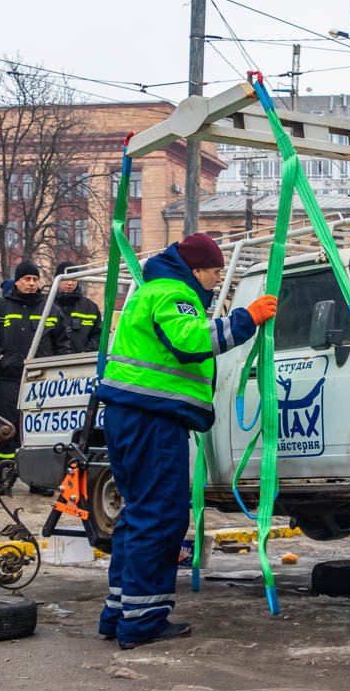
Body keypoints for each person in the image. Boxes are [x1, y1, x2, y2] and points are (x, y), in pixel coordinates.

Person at [94, 233, 276, 650]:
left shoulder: (150, 290)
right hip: (152, 419)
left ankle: (121, 611)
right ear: (196, 270)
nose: (216, 281)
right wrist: (248, 318)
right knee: (160, 517)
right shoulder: (175, 293)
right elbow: (191, 341)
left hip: (131, 416)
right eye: (214, 272)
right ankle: (142, 622)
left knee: (139, 514)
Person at [0, 259, 72, 468]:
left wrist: (60, 372)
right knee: (6, 428)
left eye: (35, 279)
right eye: (27, 279)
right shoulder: (1, 307)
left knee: (38, 432)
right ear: (17, 282)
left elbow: (63, 345)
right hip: (8, 380)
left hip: (41, 382)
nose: (31, 283)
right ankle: (3, 473)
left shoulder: (50, 310)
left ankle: (39, 480)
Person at [53, 260, 102, 353]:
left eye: (74, 279)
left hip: (80, 363)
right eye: (66, 279)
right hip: (48, 363)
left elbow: (98, 335)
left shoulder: (90, 307)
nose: (70, 283)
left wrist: (86, 353)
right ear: (57, 280)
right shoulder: (46, 305)